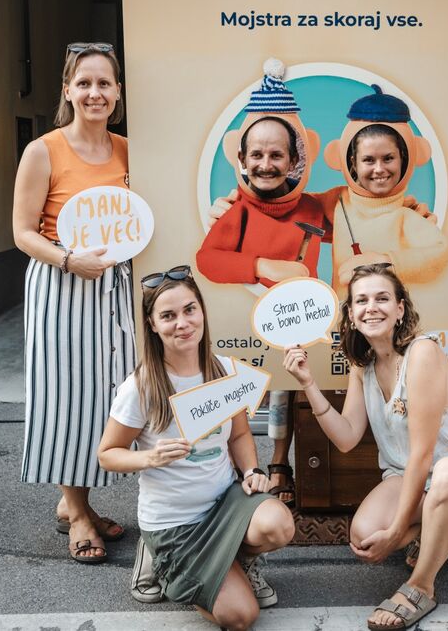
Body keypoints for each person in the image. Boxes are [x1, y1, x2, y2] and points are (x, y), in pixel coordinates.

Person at [283, 263, 448, 631]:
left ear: (400, 309)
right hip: (411, 477)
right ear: (350, 313)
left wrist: (395, 532)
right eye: (361, 301)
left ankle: (421, 586)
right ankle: (432, 528)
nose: (371, 308)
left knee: (447, 472)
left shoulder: (422, 354)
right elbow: (346, 437)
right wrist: (308, 383)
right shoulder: (363, 366)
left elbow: (423, 455)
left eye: (382, 298)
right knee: (363, 536)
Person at [98, 267, 294, 631]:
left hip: (224, 505)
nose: (183, 323)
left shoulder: (223, 370)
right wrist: (150, 457)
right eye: (168, 316)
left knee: (278, 524)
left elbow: (239, 435)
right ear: (152, 324)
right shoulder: (141, 386)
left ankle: (235, 563)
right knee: (241, 617)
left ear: (202, 310)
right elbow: (107, 454)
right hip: (175, 526)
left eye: (190, 310)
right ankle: (162, 562)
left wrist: (252, 471)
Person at [12, 42, 133, 564]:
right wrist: (68, 260)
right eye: (84, 83)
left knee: (108, 395)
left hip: (115, 285)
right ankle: (79, 513)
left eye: (104, 83)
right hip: (61, 283)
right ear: (67, 90)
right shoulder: (43, 151)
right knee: (65, 397)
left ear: (118, 92)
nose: (94, 93)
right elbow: (22, 232)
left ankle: (75, 500)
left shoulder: (129, 151)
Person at [196, 59, 327, 288]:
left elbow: (356, 217)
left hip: (310, 307)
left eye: (276, 155)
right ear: (241, 159)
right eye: (256, 155)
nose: (265, 165)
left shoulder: (313, 208)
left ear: (293, 161)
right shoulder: (237, 209)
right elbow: (207, 260)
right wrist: (262, 266)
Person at [323, 85, 448, 290]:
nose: (379, 169)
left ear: (404, 158)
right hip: (343, 309)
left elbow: (439, 253)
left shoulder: (407, 216)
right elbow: (295, 208)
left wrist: (385, 261)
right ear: (353, 162)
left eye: (388, 158)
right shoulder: (338, 201)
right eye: (368, 160)